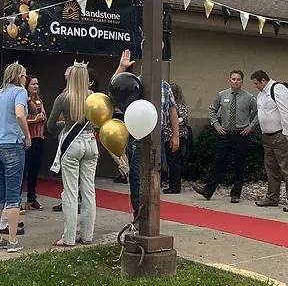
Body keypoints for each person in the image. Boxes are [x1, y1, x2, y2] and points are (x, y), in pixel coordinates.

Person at [114, 50, 179, 220]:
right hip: (136, 136)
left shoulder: (165, 86)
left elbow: (172, 109)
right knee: (136, 175)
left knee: (156, 172)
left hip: (159, 135)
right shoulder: (135, 83)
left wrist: (176, 135)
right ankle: (139, 211)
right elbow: (114, 88)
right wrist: (122, 68)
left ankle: (153, 209)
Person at [48, 63, 98, 246]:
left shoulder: (63, 98)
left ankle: (69, 237)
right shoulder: (94, 97)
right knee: (88, 191)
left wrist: (63, 126)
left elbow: (51, 125)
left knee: (70, 192)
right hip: (91, 142)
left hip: (72, 144)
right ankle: (87, 235)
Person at [0, 62, 31, 253]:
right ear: (19, 77)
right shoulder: (19, 92)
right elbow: (20, 115)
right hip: (13, 144)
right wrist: (27, 136)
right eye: (24, 75)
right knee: (13, 195)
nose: (26, 79)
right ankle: (12, 240)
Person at [196, 71, 258, 204]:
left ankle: (236, 193)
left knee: (239, 165)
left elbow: (258, 112)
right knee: (218, 162)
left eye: (238, 79)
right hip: (225, 133)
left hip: (241, 134)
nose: (236, 81)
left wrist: (251, 127)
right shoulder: (222, 95)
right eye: (233, 79)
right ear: (230, 80)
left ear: (242, 81)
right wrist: (217, 125)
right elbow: (212, 109)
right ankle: (208, 191)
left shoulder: (249, 97)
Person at [250, 70, 288, 212]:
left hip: (281, 134)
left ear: (263, 81)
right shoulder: (261, 95)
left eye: (256, 83)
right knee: (271, 168)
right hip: (267, 136)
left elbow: (285, 111)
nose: (255, 86)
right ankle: (272, 197)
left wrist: (286, 133)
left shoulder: (277, 89)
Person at [24, 75, 47, 210]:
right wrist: (35, 121)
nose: (36, 86)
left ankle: (31, 199)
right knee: (24, 170)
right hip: (28, 139)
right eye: (33, 84)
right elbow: (20, 119)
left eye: (37, 84)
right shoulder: (24, 101)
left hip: (39, 137)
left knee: (34, 170)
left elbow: (44, 116)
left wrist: (41, 119)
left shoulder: (39, 100)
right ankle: (17, 200)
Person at [164, 82, 188, 194]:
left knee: (174, 161)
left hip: (176, 136)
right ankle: (173, 185)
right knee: (172, 161)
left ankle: (175, 187)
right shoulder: (182, 105)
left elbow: (182, 120)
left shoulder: (178, 107)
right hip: (173, 136)